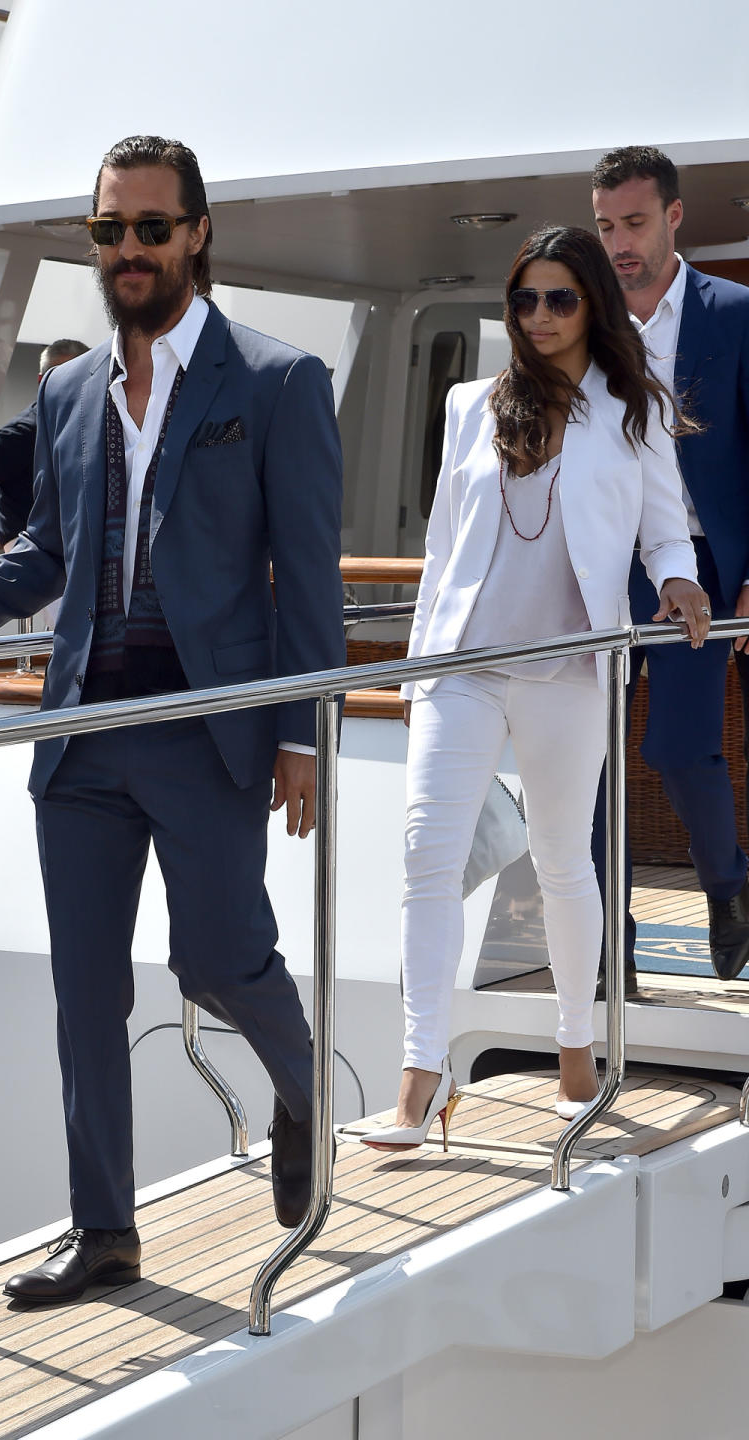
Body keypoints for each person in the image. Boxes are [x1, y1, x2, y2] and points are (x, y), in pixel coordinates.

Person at [0, 134, 346, 1301]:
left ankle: (306, 1094)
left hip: (208, 725)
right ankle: (105, 1233)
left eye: (148, 227)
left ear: (196, 235)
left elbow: (310, 570)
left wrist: (299, 734)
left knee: (219, 956)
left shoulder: (277, 382)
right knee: (86, 988)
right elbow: (48, 548)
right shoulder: (70, 390)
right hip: (81, 727)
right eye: (108, 230)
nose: (127, 250)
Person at [360, 225, 709, 1153]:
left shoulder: (634, 411)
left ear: (593, 303)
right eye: (525, 300)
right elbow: (442, 543)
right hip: (460, 665)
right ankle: (420, 1075)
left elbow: (666, 533)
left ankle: (575, 1051)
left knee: (562, 861)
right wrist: (416, 663)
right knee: (428, 861)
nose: (541, 316)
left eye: (561, 298)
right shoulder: (471, 403)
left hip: (571, 665)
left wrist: (678, 581)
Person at [590, 146, 749, 988]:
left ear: (675, 216)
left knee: (681, 746)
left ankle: (728, 885)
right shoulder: (581, 317)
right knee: (590, 756)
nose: (619, 242)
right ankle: (612, 951)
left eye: (636, 223)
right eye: (607, 224)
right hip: (601, 568)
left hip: (707, 568)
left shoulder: (735, 313)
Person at [0, 338, 90, 564]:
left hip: (77, 557)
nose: (73, 388)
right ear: (42, 382)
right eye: (64, 379)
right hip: (32, 560)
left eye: (81, 379)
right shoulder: (24, 433)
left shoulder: (90, 427)